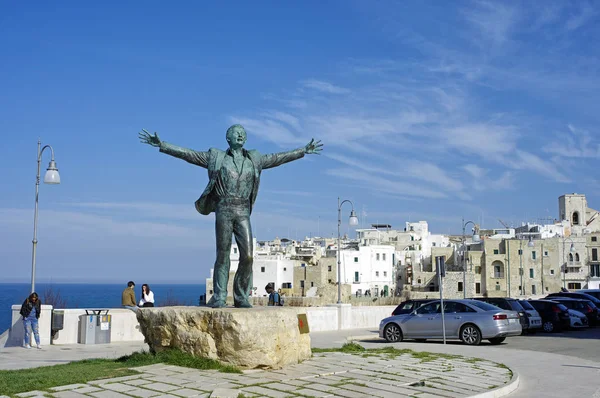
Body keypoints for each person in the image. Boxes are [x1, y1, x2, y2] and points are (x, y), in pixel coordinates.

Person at [139, 124, 322, 308]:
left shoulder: (254, 159)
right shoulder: (216, 157)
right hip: (224, 208)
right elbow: (189, 155)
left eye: (243, 133)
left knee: (248, 256)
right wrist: (163, 145)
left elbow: (277, 158)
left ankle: (241, 296)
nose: (241, 135)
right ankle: (219, 295)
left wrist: (302, 151)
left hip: (243, 210)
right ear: (228, 138)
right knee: (223, 254)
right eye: (237, 133)